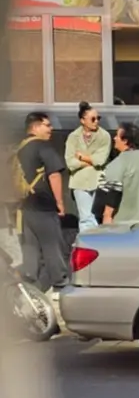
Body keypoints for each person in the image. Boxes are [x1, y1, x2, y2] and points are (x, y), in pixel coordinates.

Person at [13, 112, 67, 292]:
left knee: (31, 250)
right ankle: (60, 285)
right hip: (44, 206)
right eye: (47, 125)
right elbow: (54, 174)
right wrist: (59, 202)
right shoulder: (43, 146)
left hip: (25, 206)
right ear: (35, 127)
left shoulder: (20, 148)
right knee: (53, 247)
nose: (51, 129)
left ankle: (31, 289)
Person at [64, 101, 111, 231]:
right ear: (82, 120)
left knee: (97, 215)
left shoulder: (104, 135)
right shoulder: (73, 136)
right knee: (85, 217)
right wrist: (91, 161)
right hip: (79, 181)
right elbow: (70, 163)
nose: (96, 121)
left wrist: (81, 157)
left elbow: (101, 160)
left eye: (98, 118)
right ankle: (88, 243)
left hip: (98, 180)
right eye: (93, 118)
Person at [99, 123, 139, 225]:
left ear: (125, 140)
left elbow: (113, 191)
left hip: (121, 222)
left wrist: (107, 215)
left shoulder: (120, 161)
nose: (114, 138)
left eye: (117, 136)